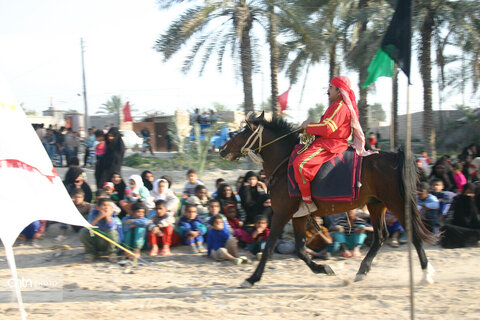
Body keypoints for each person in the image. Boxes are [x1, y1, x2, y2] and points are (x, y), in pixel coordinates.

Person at [291, 76, 370, 217]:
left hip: (331, 144)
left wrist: (307, 126)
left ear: (339, 91)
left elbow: (327, 128)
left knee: (300, 164)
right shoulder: (335, 106)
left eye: (330, 87)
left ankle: (308, 204)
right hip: (326, 142)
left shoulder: (340, 106)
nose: (328, 90)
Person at [79, 198, 119, 263]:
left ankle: (111, 253)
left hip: (107, 243)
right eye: (104, 205)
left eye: (108, 206)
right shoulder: (94, 215)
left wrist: (107, 217)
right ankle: (92, 253)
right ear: (97, 207)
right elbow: (88, 228)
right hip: (96, 240)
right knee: (83, 232)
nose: (106, 207)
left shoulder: (112, 216)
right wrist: (99, 217)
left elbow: (111, 227)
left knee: (112, 232)